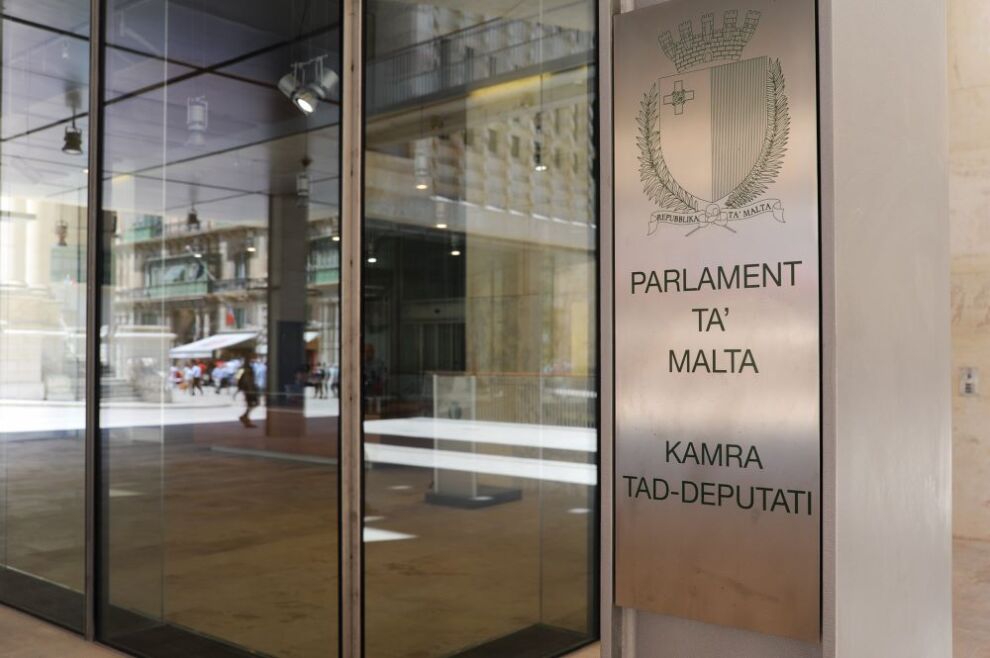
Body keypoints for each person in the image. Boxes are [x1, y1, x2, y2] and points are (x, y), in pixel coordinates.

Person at [237, 359, 260, 428]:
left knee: (252, 404)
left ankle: (245, 417)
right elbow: (246, 380)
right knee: (253, 403)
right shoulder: (245, 369)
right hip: (249, 389)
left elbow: (237, 378)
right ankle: (245, 418)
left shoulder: (242, 369)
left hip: (248, 389)